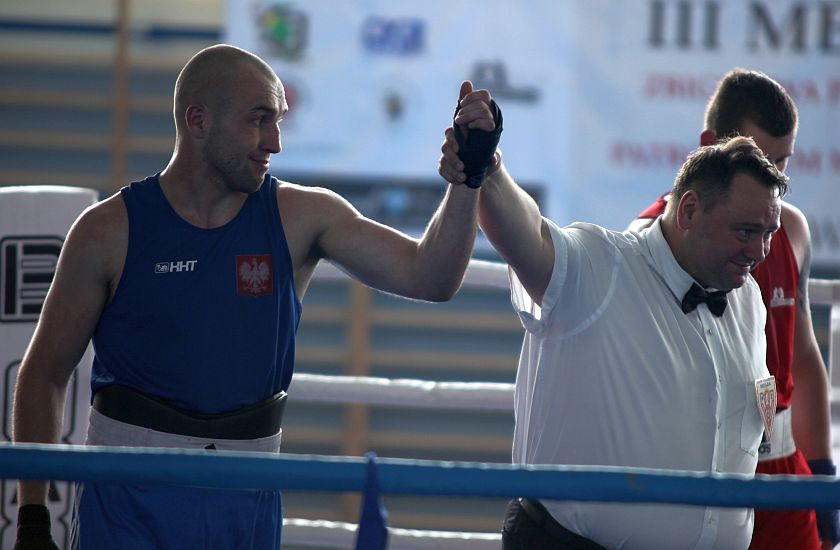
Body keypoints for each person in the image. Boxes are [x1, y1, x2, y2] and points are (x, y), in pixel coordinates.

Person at [12, 44, 481, 549]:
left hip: (246, 498)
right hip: (127, 503)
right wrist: (33, 518)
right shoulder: (107, 231)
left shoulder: (301, 217)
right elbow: (44, 375)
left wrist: (468, 177)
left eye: (278, 121)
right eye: (259, 120)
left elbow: (431, 277)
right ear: (198, 121)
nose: (275, 142)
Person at [439, 82, 788, 549]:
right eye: (746, 230)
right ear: (688, 211)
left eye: (769, 232)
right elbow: (527, 235)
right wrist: (488, 167)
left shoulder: (747, 299)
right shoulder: (601, 264)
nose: (759, 251)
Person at [628, 69, 838, 550]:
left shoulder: (792, 231)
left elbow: (802, 357)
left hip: (782, 468)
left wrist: (822, 474)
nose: (772, 178)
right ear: (710, 146)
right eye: (760, 158)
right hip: (697, 472)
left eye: (781, 164)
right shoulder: (649, 242)